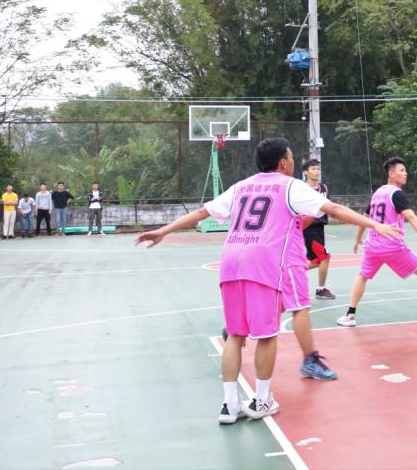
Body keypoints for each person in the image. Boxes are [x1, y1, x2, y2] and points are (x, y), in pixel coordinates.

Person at [135, 138, 397, 423]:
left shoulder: (241, 186)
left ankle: (229, 405)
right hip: (263, 264)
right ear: (283, 163)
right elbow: (333, 209)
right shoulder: (290, 186)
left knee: (235, 335)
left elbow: (203, 212)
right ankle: (261, 400)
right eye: (292, 157)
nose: (294, 162)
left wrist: (163, 231)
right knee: (266, 335)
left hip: (231, 262)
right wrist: (375, 224)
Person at [337, 157, 417, 328]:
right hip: (392, 246)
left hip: (372, 245)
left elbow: (364, 217)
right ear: (391, 174)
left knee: (362, 276)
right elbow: (411, 216)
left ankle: (349, 315)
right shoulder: (396, 193)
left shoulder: (377, 193)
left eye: (405, 171)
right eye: (401, 170)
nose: (406, 174)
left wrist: (357, 239)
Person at [301, 159, 336, 299]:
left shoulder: (324, 188)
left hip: (320, 228)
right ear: (306, 172)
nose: (316, 171)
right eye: (313, 169)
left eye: (318, 169)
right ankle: (321, 290)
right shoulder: (302, 189)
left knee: (316, 260)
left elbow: (328, 206)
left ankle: (291, 272)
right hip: (309, 229)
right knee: (324, 258)